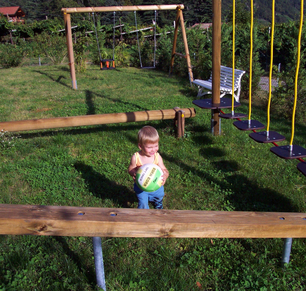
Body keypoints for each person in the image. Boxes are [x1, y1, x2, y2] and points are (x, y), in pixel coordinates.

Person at [128, 126, 169, 209]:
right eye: (149, 147)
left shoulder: (157, 157)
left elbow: (165, 170)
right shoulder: (136, 157)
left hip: (157, 185)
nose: (153, 150)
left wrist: (165, 175)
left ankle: (158, 205)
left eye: (156, 146)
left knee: (159, 197)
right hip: (141, 187)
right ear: (140, 146)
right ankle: (144, 216)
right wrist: (135, 173)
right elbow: (130, 169)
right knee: (142, 203)